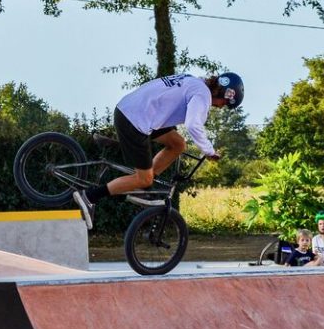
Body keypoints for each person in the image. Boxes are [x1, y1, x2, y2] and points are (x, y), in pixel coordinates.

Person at [72, 72, 244, 229]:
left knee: (178, 144)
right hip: (135, 120)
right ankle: (90, 196)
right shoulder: (202, 96)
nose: (221, 107)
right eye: (225, 104)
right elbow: (193, 124)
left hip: (135, 111)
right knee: (143, 178)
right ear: (224, 94)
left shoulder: (194, 81)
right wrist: (209, 151)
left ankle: (144, 185)